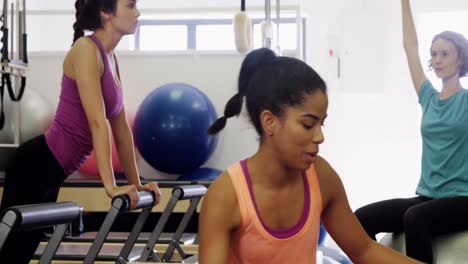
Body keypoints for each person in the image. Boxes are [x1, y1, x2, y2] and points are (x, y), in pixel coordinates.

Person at [198, 48, 421, 264]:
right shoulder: (225, 196)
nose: (320, 137)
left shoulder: (321, 176)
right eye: (308, 125)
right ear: (269, 122)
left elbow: (363, 250)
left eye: (321, 124)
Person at [0, 0, 161, 263]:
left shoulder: (110, 59)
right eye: (131, 5)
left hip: (53, 171)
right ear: (106, 13)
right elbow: (98, 123)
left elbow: (121, 132)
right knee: (10, 252)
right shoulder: (85, 50)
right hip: (35, 165)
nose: (138, 12)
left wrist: (136, 183)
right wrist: (110, 187)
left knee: (23, 252)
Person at [354, 1, 468, 263]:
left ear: (461, 57)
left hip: (463, 198)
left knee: (415, 218)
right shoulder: (428, 96)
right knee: (361, 218)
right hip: (428, 195)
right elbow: (410, 47)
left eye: (445, 54)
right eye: (434, 54)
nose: (437, 60)